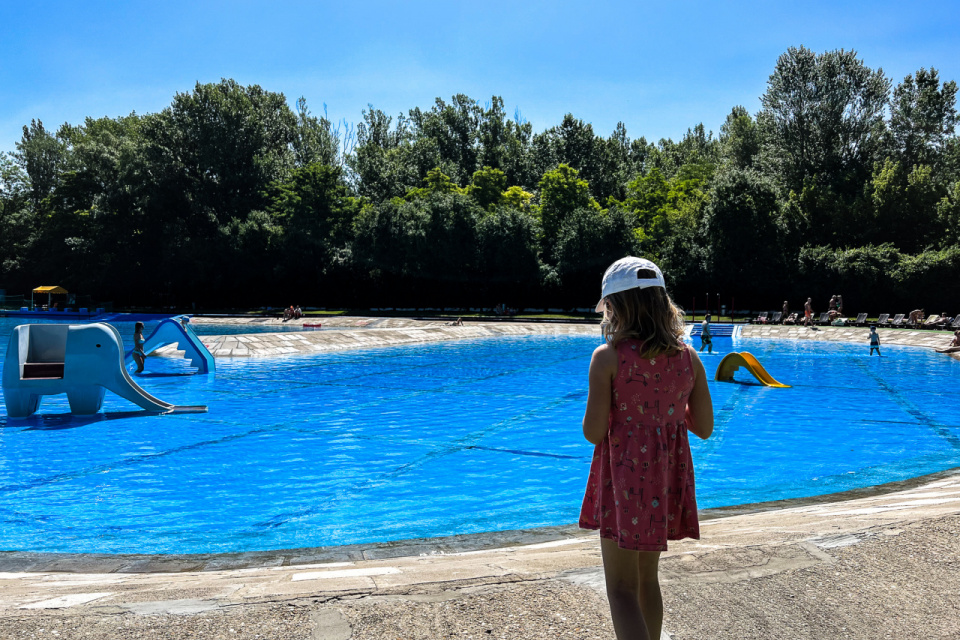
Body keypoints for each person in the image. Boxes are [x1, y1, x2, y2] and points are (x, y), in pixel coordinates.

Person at [580, 256, 714, 640]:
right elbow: (703, 428)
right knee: (646, 581)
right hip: (664, 480)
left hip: (622, 482)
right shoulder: (689, 358)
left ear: (616, 307)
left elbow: (593, 431)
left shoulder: (607, 358)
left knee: (620, 588)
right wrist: (666, 411)